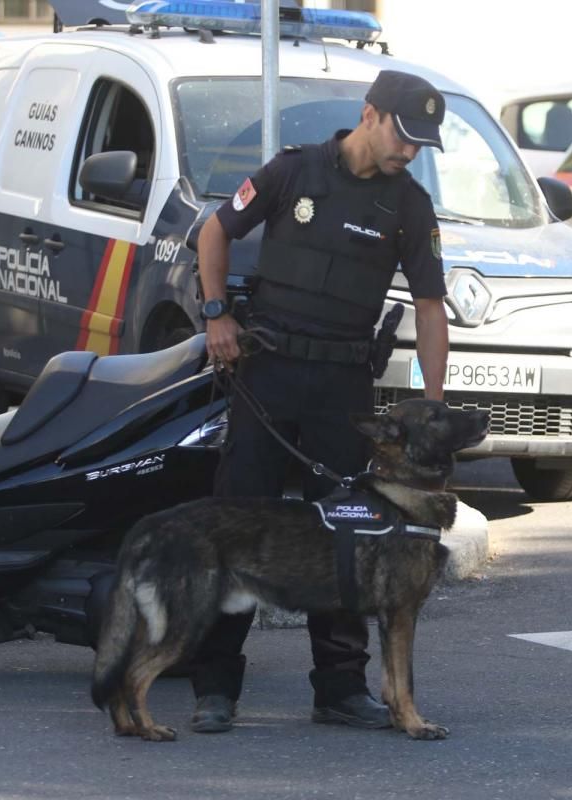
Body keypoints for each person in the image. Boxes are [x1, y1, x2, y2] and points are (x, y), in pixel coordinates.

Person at [189, 69, 450, 734]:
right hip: (268, 373)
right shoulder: (292, 173)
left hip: (343, 388)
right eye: (404, 135)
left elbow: (428, 306)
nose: (411, 151)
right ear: (370, 115)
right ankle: (215, 686)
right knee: (240, 522)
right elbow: (214, 232)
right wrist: (217, 314)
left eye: (423, 143)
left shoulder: (409, 206)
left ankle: (339, 689)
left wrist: (433, 403)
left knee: (349, 531)